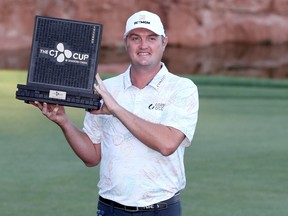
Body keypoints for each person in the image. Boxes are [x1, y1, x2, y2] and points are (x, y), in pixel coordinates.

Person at [31, 10, 199, 216]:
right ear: (126, 42)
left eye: (151, 38)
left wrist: (116, 109)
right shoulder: (106, 88)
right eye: (135, 38)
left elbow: (167, 144)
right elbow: (92, 156)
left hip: (160, 208)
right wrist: (64, 122)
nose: (143, 45)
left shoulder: (182, 88)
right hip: (109, 208)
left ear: (164, 43)